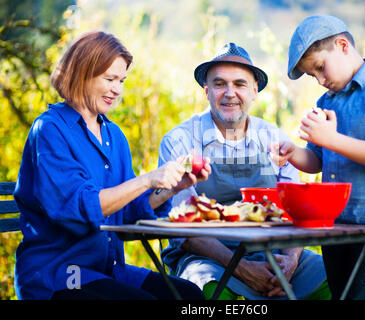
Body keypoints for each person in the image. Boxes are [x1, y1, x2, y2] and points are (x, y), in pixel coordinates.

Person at [13, 31, 210, 300]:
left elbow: (127, 213)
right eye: (109, 79)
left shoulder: (114, 135)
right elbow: (81, 210)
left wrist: (172, 188)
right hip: (59, 274)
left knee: (188, 296)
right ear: (82, 74)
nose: (117, 89)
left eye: (121, 81)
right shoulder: (50, 130)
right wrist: (148, 179)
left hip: (107, 269)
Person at [158, 43, 330, 300]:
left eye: (239, 84)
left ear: (254, 91)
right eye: (219, 84)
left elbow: (296, 212)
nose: (230, 93)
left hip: (272, 252)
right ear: (206, 90)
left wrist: (290, 262)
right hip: (206, 257)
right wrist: (243, 268)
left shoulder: (273, 137)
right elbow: (184, 231)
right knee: (204, 287)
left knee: (332, 278)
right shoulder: (180, 141)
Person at [270, 15, 365, 299]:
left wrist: (332, 138)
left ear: (343, 45)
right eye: (314, 76)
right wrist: (294, 153)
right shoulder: (326, 103)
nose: (321, 81)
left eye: (321, 68)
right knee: (341, 295)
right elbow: (318, 159)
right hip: (336, 226)